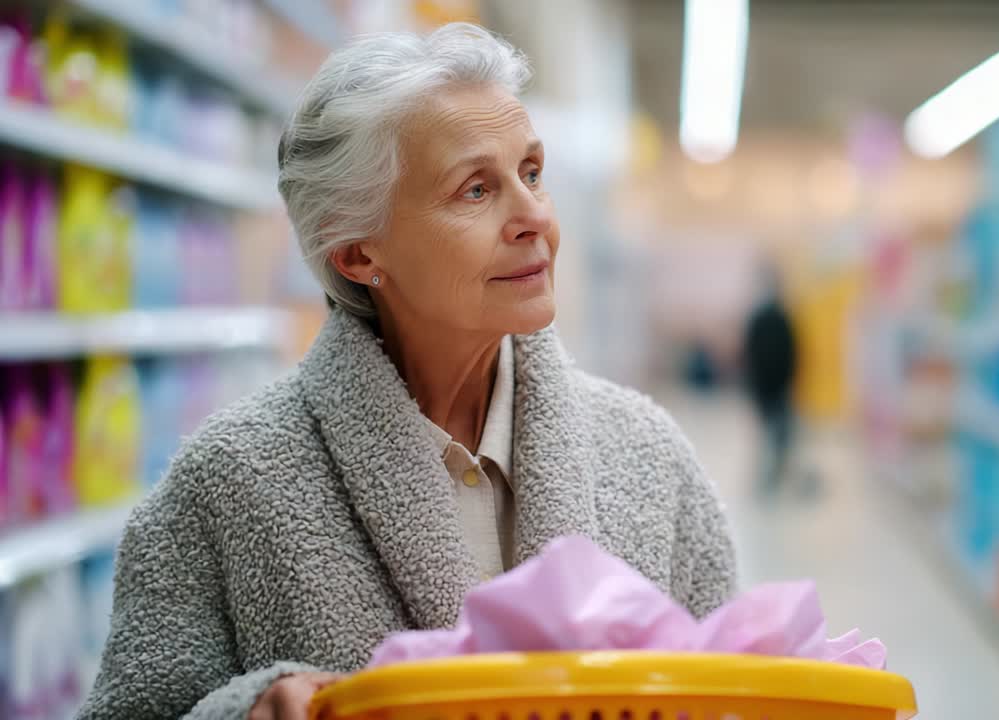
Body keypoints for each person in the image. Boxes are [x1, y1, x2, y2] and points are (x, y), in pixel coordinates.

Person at [77, 25, 737, 720]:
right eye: (476, 190)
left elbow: (736, 691)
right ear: (358, 254)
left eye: (532, 173)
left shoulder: (648, 459)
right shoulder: (229, 482)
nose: (535, 217)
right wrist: (251, 711)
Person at [742, 270, 798, 491]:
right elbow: (793, 353)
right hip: (777, 385)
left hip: (764, 386)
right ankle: (773, 475)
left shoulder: (758, 319)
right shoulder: (783, 317)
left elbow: (749, 354)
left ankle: (766, 476)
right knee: (778, 433)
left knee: (765, 431)